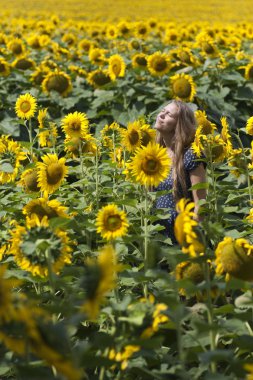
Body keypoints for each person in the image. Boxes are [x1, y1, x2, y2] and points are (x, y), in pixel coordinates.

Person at [154, 99, 206, 243]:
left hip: (181, 233)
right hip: (157, 233)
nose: (161, 115)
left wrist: (192, 238)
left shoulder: (190, 155)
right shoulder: (155, 156)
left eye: (169, 114)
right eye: (162, 111)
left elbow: (200, 204)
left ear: (179, 125)